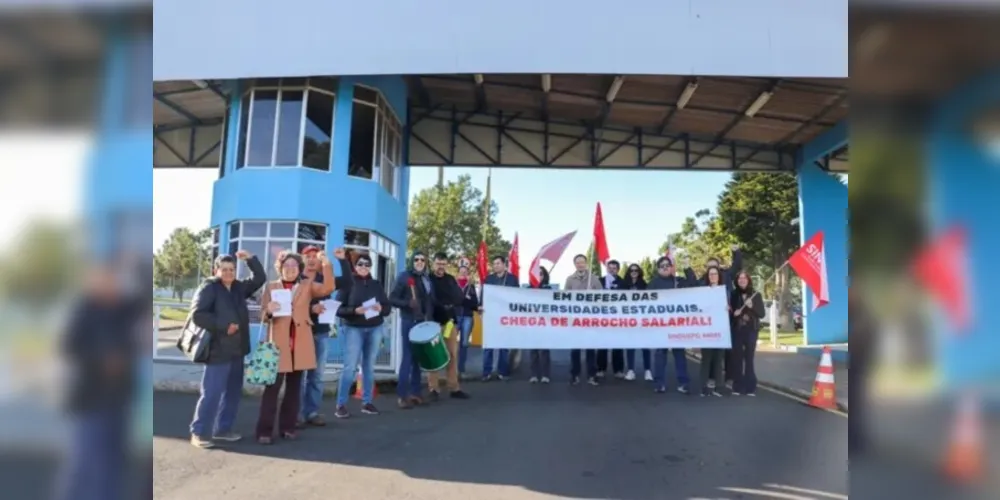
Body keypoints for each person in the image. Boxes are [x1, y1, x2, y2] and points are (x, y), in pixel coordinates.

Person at [57, 260, 147, 500]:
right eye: (103, 279)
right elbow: (69, 346)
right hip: (91, 399)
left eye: (113, 279)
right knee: (86, 462)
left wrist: (136, 262)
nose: (110, 284)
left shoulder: (123, 309)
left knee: (113, 463)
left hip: (119, 398)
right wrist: (102, 360)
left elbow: (144, 294)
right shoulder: (84, 310)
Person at [188, 251, 267, 448]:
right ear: (216, 270)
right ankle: (199, 432)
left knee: (232, 393)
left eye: (231, 269)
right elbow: (197, 315)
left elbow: (260, 278)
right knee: (212, 393)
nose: (228, 273)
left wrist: (250, 259)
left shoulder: (239, 288)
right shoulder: (209, 287)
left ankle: (223, 429)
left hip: (237, 350)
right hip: (217, 350)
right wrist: (224, 326)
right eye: (224, 269)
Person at [256, 250, 335, 444]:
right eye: (286, 266)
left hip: (299, 345)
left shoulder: (307, 285)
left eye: (294, 266)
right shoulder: (271, 286)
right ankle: (264, 431)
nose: (290, 269)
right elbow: (262, 317)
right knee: (272, 390)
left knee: (293, 390)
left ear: (299, 269)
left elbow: (327, 288)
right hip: (277, 345)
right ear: (280, 268)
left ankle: (288, 427)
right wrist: (269, 310)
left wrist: (326, 264)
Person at [332, 253, 391, 418]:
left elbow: (387, 307)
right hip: (353, 329)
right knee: (349, 367)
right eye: (360, 264)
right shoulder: (348, 283)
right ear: (355, 266)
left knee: (369, 367)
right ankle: (341, 404)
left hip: (375, 328)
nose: (364, 267)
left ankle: (367, 402)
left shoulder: (376, 284)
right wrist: (354, 311)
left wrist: (382, 308)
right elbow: (337, 309)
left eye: (367, 264)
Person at [299, 246, 351, 427]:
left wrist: (342, 260)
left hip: (321, 332)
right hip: (301, 333)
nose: (312, 259)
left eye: (316, 256)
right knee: (298, 376)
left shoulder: (325, 279)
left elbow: (348, 282)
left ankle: (311, 412)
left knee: (317, 376)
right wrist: (310, 309)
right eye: (308, 256)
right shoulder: (297, 278)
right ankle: (295, 415)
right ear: (302, 259)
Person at [684, 245, 742, 386]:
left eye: (714, 267)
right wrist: (686, 267)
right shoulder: (703, 281)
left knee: (727, 351)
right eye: (709, 267)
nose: (712, 270)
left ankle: (728, 378)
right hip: (709, 322)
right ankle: (710, 378)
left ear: (718, 267)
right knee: (709, 351)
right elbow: (692, 281)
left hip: (725, 320)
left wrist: (736, 252)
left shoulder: (727, 276)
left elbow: (736, 266)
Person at [389, 251, 436, 409]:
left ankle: (416, 393)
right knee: (408, 358)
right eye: (416, 259)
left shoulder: (426, 279)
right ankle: (402, 396)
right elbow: (392, 298)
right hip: (409, 321)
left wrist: (429, 318)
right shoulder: (404, 276)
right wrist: (407, 303)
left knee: (418, 358)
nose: (420, 262)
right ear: (412, 261)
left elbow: (430, 301)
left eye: (423, 259)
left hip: (422, 322)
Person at [426, 252, 471, 400]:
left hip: (449, 323)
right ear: (433, 264)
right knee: (434, 357)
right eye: (438, 264)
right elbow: (429, 300)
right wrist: (442, 303)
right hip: (433, 323)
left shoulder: (451, 279)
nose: (441, 267)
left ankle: (454, 388)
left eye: (444, 264)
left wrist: (449, 303)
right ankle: (434, 388)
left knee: (452, 356)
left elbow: (459, 297)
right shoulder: (428, 279)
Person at [648, 256, 694, 394]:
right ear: (658, 268)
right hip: (660, 325)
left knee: (679, 354)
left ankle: (683, 382)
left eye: (668, 265)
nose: (665, 267)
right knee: (660, 355)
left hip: (677, 325)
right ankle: (659, 383)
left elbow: (693, 284)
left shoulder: (677, 281)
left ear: (672, 267)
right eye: (662, 265)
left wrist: (687, 268)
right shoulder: (653, 283)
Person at [564, 254, 602, 386]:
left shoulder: (594, 279)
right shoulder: (570, 280)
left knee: (591, 349)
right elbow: (565, 299)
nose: (580, 264)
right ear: (575, 264)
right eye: (578, 262)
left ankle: (592, 375)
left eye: (582, 262)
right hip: (575, 320)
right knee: (575, 350)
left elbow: (602, 298)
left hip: (590, 320)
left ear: (586, 263)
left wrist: (593, 293)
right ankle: (575, 375)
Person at [482, 255, 519, 381]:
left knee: (504, 346)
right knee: (489, 346)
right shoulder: (489, 279)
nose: (496, 266)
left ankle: (502, 371)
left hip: (505, 316)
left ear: (504, 265)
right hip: (491, 316)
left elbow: (517, 296)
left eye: (498, 263)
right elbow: (484, 295)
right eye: (494, 264)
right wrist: (481, 306)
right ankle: (486, 372)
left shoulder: (512, 279)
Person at [730, 270, 766, 396]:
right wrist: (733, 313)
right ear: (737, 281)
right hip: (737, 330)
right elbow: (730, 312)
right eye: (740, 278)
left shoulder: (756, 295)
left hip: (751, 330)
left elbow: (761, 314)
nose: (742, 280)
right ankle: (737, 386)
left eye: (744, 278)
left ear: (748, 280)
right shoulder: (733, 294)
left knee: (749, 358)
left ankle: (750, 386)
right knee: (737, 358)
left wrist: (752, 306)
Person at [699, 266, 728, 397]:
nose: (713, 276)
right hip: (706, 330)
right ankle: (703, 388)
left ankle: (719, 387)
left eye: (715, 274)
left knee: (718, 360)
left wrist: (729, 308)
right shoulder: (703, 291)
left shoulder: (725, 291)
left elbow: (730, 308)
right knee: (706, 360)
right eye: (710, 274)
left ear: (719, 275)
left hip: (720, 330)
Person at [622, 264, 653, 382]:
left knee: (645, 346)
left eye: (636, 270)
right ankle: (630, 370)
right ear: (628, 272)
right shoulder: (623, 285)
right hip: (628, 320)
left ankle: (648, 370)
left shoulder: (645, 285)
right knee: (630, 346)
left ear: (639, 272)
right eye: (631, 270)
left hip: (642, 319)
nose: (634, 272)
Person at [597, 259, 626, 379]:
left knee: (617, 345)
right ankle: (601, 369)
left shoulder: (622, 282)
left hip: (617, 318)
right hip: (602, 317)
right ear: (606, 269)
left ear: (618, 270)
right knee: (602, 345)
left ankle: (618, 370)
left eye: (614, 268)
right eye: (610, 268)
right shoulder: (600, 281)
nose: (612, 270)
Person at [529, 266, 553, 384]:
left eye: (541, 274)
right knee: (533, 350)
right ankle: (534, 374)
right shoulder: (528, 289)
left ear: (545, 276)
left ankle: (545, 375)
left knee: (544, 350)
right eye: (536, 274)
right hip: (531, 323)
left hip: (545, 323)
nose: (539, 276)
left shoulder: (548, 289)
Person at [455, 264, 480, 377]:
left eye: (465, 272)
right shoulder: (454, 285)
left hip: (467, 317)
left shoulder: (471, 287)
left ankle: (461, 369)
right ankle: (452, 369)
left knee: (464, 343)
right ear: (458, 273)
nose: (463, 273)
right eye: (461, 271)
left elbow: (474, 304)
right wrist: (466, 300)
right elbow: (453, 300)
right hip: (455, 316)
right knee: (451, 343)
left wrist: (465, 301)